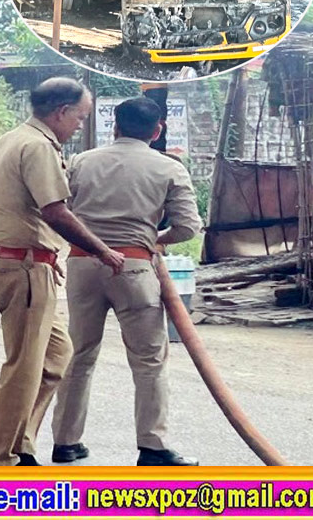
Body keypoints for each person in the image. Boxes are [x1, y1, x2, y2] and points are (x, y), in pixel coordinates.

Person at [0, 77, 125, 466]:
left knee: (57, 357)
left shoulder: (11, 139)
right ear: (61, 112)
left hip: (18, 262)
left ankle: (21, 446)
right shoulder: (38, 147)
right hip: (22, 267)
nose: (80, 125)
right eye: (80, 116)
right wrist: (103, 250)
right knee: (23, 370)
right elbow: (55, 211)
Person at [50, 97, 203, 466]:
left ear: (114, 126)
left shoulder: (83, 161)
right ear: (157, 131)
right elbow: (187, 226)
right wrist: (153, 239)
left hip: (83, 265)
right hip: (134, 269)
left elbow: (60, 210)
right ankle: (152, 446)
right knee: (148, 360)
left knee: (79, 354)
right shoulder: (168, 168)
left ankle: (66, 442)